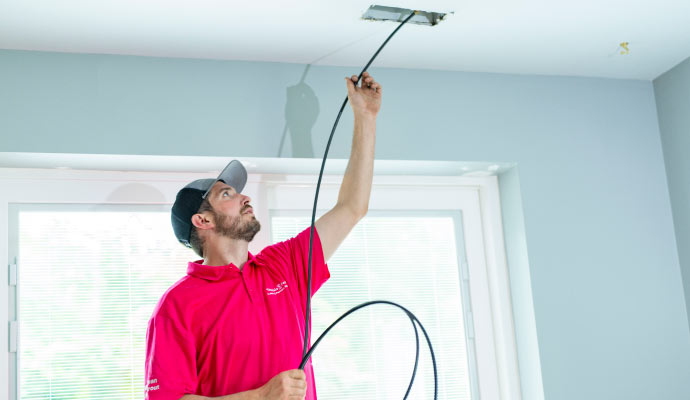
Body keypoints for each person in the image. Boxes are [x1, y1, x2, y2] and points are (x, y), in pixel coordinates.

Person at [145, 72, 382, 400]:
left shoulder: (285, 265)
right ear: (203, 220)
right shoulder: (177, 306)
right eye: (227, 195)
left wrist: (365, 118)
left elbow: (352, 207)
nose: (245, 198)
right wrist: (259, 397)